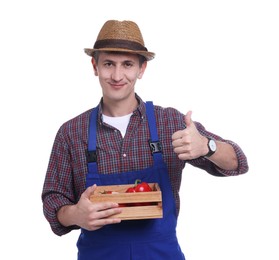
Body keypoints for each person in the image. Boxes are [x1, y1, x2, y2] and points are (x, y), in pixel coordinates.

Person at [42, 20, 248, 259]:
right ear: (94, 65)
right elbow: (53, 199)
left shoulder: (169, 122)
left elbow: (238, 162)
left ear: (141, 69)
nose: (117, 75)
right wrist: (74, 215)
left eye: (127, 64)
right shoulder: (71, 132)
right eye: (109, 63)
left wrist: (206, 146)